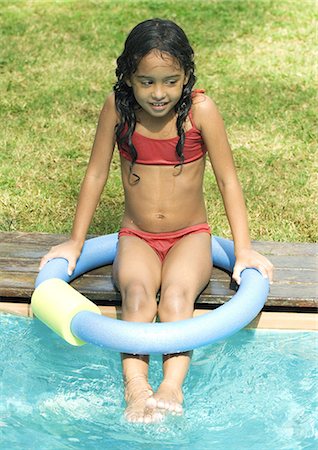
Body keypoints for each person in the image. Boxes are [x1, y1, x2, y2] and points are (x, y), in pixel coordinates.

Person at [39, 18, 273, 424]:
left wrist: (245, 248)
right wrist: (75, 242)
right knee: (137, 293)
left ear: (186, 76)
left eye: (170, 80)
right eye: (146, 81)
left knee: (179, 296)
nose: (158, 93)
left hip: (190, 236)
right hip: (137, 235)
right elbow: (95, 174)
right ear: (129, 76)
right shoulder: (118, 108)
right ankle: (136, 388)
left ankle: (170, 387)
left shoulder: (201, 111)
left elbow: (227, 179)